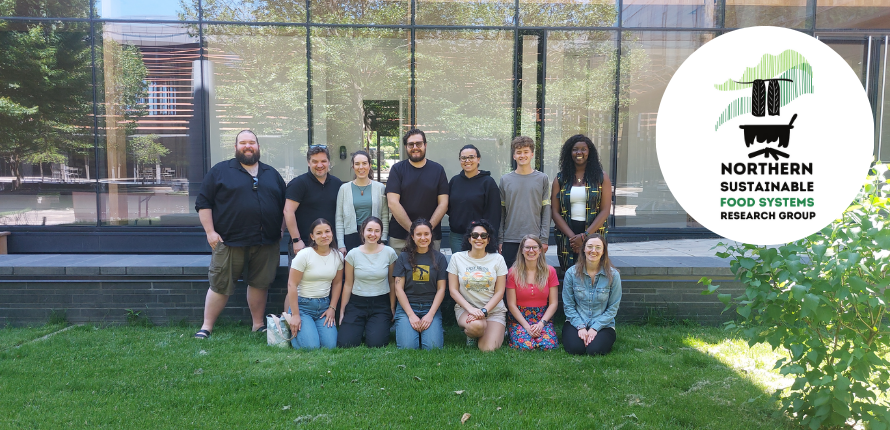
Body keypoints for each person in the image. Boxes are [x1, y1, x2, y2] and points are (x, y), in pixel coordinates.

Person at [193, 130, 286, 339]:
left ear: (258, 146)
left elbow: (284, 206)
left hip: (266, 242)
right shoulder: (220, 171)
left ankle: (258, 324)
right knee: (220, 285)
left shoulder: (271, 173)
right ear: (235, 147)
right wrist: (210, 233)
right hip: (228, 241)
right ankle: (206, 327)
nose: (248, 146)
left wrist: (281, 229)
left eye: (252, 142)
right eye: (243, 142)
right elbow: (203, 203)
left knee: (260, 283)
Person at [552, 134, 612, 271]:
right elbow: (555, 212)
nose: (579, 153)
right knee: (569, 272)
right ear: (569, 153)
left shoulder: (601, 177)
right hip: (567, 234)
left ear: (589, 152)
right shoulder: (561, 178)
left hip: (594, 232)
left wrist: (585, 236)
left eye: (583, 149)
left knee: (594, 270)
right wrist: (574, 238)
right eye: (575, 149)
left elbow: (605, 210)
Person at [337, 216, 398, 348]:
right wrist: (343, 311)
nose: (373, 234)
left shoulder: (389, 253)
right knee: (346, 343)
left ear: (381, 233)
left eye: (377, 231)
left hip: (381, 304)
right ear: (363, 232)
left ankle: (371, 327)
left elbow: (392, 282)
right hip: (357, 303)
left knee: (377, 343)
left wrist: (392, 307)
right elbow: (348, 284)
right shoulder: (353, 254)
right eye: (369, 230)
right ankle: (359, 327)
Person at [447, 219, 508, 351]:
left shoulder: (498, 259)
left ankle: (497, 330)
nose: (479, 238)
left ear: (488, 239)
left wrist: (484, 311)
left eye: (483, 235)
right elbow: (453, 290)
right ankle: (473, 334)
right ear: (469, 239)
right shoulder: (457, 258)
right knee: (477, 327)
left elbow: (499, 292)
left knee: (487, 348)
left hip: (493, 311)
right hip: (466, 310)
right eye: (475, 235)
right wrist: (472, 310)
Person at [386, 129, 449, 254]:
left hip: (431, 238)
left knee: (429, 273)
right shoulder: (397, 170)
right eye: (411, 144)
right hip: (400, 237)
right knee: (399, 273)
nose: (415, 147)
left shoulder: (438, 170)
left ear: (425, 145)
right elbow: (393, 203)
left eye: (419, 144)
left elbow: (444, 204)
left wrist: (425, 233)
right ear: (406, 147)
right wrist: (415, 231)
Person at [286, 218, 344, 349]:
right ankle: (293, 327)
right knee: (311, 347)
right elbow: (292, 285)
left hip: (324, 307)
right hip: (303, 307)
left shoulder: (338, 256)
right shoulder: (304, 255)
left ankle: (308, 331)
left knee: (330, 346)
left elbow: (337, 283)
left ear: (332, 233)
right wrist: (295, 315)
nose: (324, 236)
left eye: (327, 231)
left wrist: (332, 308)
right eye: (319, 233)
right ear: (312, 236)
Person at [393, 219, 449, 350]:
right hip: (407, 307)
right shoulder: (403, 257)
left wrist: (430, 315)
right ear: (412, 236)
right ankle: (409, 328)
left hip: (430, 307)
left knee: (432, 348)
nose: (423, 238)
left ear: (431, 235)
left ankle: (426, 329)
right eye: (418, 234)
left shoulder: (440, 258)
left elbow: (441, 289)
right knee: (408, 347)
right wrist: (411, 315)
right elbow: (398, 288)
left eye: (426, 234)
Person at [562, 233, 621, 355]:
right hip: (576, 321)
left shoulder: (614, 275)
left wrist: (595, 328)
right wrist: (581, 327)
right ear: (584, 249)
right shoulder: (571, 274)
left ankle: (596, 339)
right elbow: (568, 306)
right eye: (590, 246)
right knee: (575, 349)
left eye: (598, 247)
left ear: (603, 251)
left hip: (603, 324)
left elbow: (613, 307)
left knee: (594, 350)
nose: (593, 250)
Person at [499, 135, 551, 269]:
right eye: (519, 152)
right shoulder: (505, 180)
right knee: (510, 278)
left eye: (526, 151)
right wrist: (500, 240)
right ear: (514, 156)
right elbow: (501, 213)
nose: (522, 155)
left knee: (534, 277)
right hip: (510, 238)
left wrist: (544, 239)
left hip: (534, 239)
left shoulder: (542, 179)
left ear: (532, 154)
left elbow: (546, 210)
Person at [284, 145, 343, 259]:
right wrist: (296, 240)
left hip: (330, 246)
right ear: (308, 162)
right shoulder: (298, 184)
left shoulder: (337, 184)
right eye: (315, 161)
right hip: (304, 245)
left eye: (323, 161)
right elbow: (288, 211)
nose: (319, 165)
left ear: (329, 162)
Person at [505, 235, 559, 350]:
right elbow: (511, 305)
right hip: (520, 318)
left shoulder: (550, 271)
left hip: (542, 317)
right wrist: (526, 326)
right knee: (526, 346)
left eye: (534, 247)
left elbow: (553, 303)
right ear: (522, 250)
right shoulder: (513, 272)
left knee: (548, 345)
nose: (531, 251)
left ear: (540, 250)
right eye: (527, 247)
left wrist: (541, 324)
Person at [447, 144, 500, 253]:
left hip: (480, 237)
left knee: (478, 269)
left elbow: (494, 213)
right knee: (459, 269)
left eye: (471, 157)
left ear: (478, 159)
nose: (467, 160)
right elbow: (447, 206)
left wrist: (489, 237)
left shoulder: (488, 182)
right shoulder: (454, 181)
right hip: (457, 236)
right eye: (463, 158)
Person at [336, 150, 389, 254]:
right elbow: (339, 218)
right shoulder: (344, 189)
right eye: (357, 164)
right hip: (351, 237)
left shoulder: (380, 188)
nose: (361, 167)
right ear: (353, 166)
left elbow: (384, 216)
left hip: (374, 236)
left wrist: (383, 239)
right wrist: (341, 244)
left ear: (369, 165)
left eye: (364, 163)